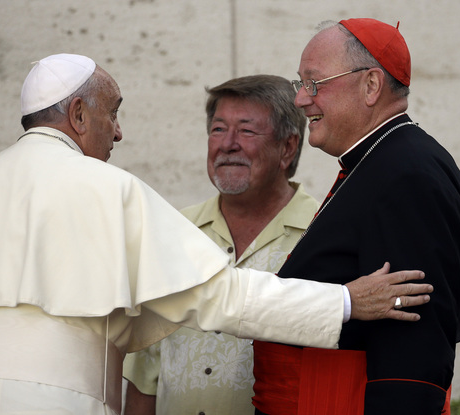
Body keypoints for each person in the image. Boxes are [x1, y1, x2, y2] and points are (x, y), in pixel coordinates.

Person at [0, 53, 431, 415]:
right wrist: (346, 301)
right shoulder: (110, 188)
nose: (118, 133)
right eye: (113, 113)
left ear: (287, 147)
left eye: (246, 131)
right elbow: (219, 297)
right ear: (79, 114)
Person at [251, 19, 460, 415]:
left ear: (371, 85)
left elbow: (412, 353)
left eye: (314, 83)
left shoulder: (406, 176)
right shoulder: (383, 161)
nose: (301, 99)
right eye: (300, 83)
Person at [123, 74, 320, 414]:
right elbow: (146, 371)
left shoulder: (320, 235)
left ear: (288, 147)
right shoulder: (173, 233)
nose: (227, 144)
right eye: (218, 129)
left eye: (246, 131)